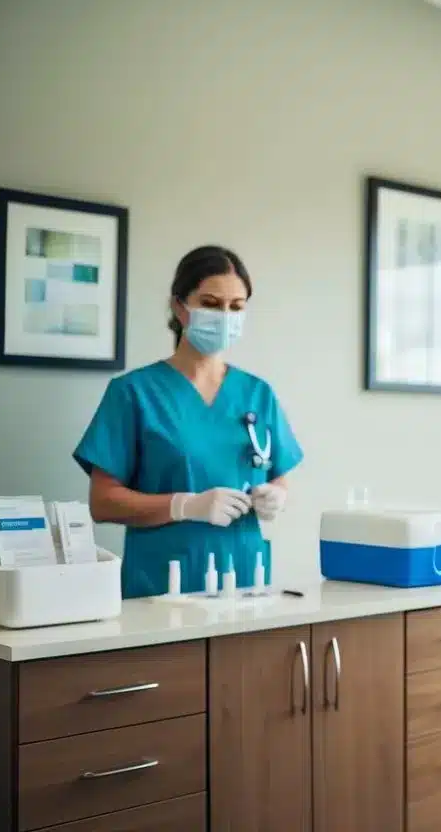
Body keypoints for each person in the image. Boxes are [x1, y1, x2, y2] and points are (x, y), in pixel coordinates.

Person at [73, 245, 304, 598]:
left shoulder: (258, 394)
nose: (225, 316)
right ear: (179, 307)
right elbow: (102, 502)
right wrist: (184, 505)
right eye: (211, 304)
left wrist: (278, 497)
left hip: (246, 580)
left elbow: (280, 479)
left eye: (236, 307)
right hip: (163, 584)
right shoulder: (134, 393)